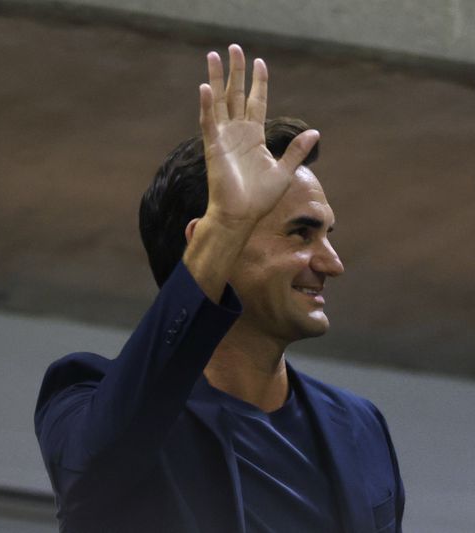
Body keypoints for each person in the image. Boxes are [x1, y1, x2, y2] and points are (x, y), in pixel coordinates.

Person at [34, 44, 405, 533]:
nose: (331, 264)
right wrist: (227, 224)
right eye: (300, 233)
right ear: (211, 242)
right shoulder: (85, 398)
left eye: (327, 236)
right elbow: (95, 469)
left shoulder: (360, 427)